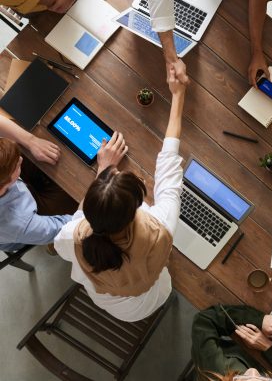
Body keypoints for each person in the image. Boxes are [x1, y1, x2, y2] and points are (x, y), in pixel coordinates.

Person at [54, 64, 187, 322]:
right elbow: (169, 164)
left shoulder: (73, 235)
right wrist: (179, 94)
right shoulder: (159, 228)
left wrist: (102, 169)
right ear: (136, 209)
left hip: (116, 307)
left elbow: (68, 239)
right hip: (150, 298)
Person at [0, 115, 76, 251]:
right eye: (17, 165)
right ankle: (52, 245)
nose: (21, 160)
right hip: (24, 222)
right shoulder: (18, 223)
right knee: (77, 196)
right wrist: (103, 173)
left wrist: (31, 141)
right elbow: (69, 228)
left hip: (13, 190)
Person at [191, 305, 272, 380]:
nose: (253, 371)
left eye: (242, 379)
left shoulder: (214, 369)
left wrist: (258, 319)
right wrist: (269, 347)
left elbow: (204, 321)